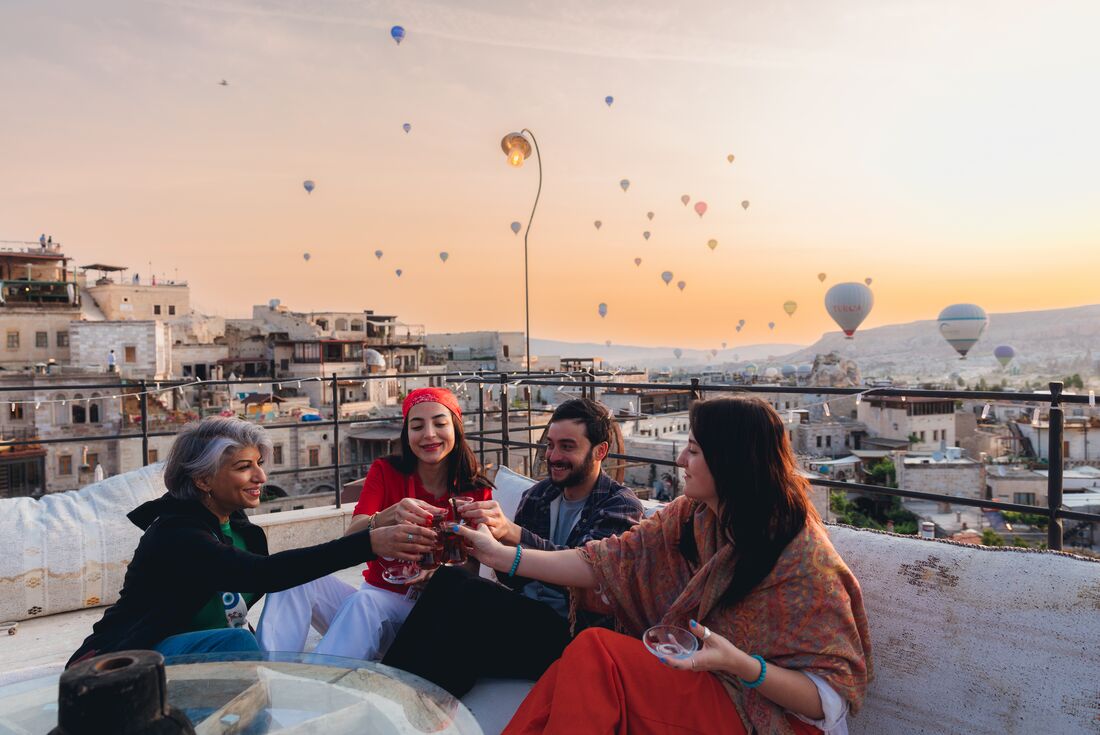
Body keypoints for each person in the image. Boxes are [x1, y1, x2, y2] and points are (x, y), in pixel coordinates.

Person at [456, 395, 872, 735]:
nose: (681, 461)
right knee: (574, 665)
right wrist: (499, 555)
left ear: (731, 461)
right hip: (702, 683)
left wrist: (737, 662)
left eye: (694, 450)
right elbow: (604, 560)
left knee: (596, 651)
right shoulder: (693, 516)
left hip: (760, 713)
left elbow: (828, 700)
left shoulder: (800, 556)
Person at [67, 417, 432, 667]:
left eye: (259, 463)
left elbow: (253, 591)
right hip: (123, 661)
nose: (261, 476)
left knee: (251, 639)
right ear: (203, 480)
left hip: (195, 656)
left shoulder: (236, 526)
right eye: (244, 467)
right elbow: (262, 574)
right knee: (240, 646)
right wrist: (369, 543)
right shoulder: (176, 533)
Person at [382, 397, 644, 696]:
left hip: (573, 634)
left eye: (567, 447)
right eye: (550, 445)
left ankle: (396, 696)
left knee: (459, 610)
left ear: (600, 451)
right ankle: (397, 693)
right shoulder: (540, 495)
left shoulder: (619, 506)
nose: (553, 456)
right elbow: (514, 580)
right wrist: (486, 540)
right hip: (527, 618)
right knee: (449, 585)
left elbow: (585, 576)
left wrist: (513, 534)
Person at [256, 387, 493, 660]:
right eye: (417, 426)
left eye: (440, 424)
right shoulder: (385, 471)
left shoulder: (474, 490)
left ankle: (318, 683)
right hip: (373, 603)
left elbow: (478, 564)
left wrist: (440, 576)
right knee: (295, 576)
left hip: (427, 615)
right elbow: (351, 538)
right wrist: (386, 516)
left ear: (456, 428)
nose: (429, 434)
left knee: (365, 602)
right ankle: (268, 673)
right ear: (406, 433)